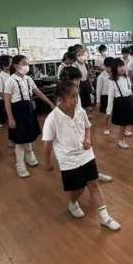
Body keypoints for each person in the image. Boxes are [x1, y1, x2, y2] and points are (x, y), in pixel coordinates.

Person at [43, 80, 120, 229]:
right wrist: (48, 162)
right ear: (61, 98)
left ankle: (105, 218)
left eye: (77, 96)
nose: (76, 99)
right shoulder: (52, 118)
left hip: (86, 154)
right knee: (78, 188)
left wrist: (87, 139)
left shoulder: (80, 111)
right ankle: (72, 203)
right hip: (68, 160)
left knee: (93, 184)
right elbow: (47, 143)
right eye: (72, 96)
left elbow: (87, 127)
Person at [59, 65, 113, 183]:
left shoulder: (76, 92)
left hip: (80, 129)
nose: (79, 82)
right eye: (77, 80)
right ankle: (82, 178)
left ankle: (94, 174)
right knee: (76, 156)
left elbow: (80, 112)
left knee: (88, 153)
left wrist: (85, 130)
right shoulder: (62, 97)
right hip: (70, 132)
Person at [4, 55, 55, 178]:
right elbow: (7, 101)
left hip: (29, 110)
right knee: (20, 140)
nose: (27, 66)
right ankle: (20, 165)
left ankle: (30, 155)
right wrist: (10, 118)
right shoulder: (11, 80)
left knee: (29, 135)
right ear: (16, 66)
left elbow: (38, 92)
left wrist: (50, 103)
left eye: (27, 63)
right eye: (24, 63)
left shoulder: (28, 79)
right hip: (17, 111)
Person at [107, 58, 133, 149]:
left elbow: (129, 90)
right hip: (120, 103)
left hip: (130, 101)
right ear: (114, 68)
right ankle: (121, 140)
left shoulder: (127, 77)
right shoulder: (112, 80)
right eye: (119, 66)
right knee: (123, 125)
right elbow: (110, 96)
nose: (122, 68)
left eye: (122, 66)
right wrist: (108, 110)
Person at [96, 56, 114, 135]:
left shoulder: (115, 74)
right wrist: (98, 101)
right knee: (106, 113)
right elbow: (98, 89)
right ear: (105, 66)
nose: (110, 69)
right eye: (108, 67)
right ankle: (106, 127)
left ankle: (113, 124)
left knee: (113, 112)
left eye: (111, 67)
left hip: (114, 96)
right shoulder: (101, 76)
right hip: (105, 96)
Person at [0, 54, 12, 126]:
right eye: (11, 62)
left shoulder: (13, 73)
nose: (12, 64)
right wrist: (9, 100)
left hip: (15, 100)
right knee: (10, 119)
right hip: (6, 101)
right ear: (4, 65)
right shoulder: (0, 76)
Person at [73, 45, 92, 110]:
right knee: (80, 100)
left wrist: (91, 85)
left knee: (87, 98)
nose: (81, 56)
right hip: (79, 83)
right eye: (79, 55)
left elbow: (88, 75)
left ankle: (86, 109)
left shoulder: (85, 64)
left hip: (85, 82)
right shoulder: (74, 65)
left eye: (82, 54)